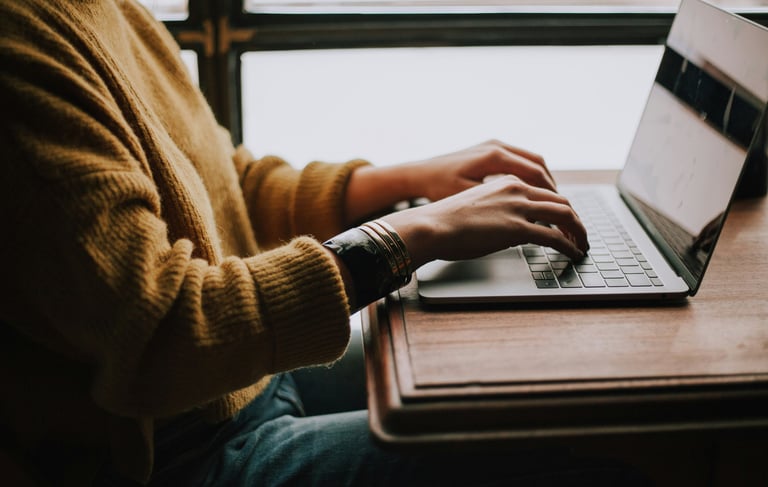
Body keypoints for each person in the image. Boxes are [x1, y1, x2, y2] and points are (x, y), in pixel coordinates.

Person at [0, 1, 651, 486]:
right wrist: (412, 234)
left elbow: (224, 182)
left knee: (530, 382)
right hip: (174, 453)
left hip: (244, 379)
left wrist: (409, 179)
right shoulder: (20, 49)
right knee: (552, 451)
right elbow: (165, 331)